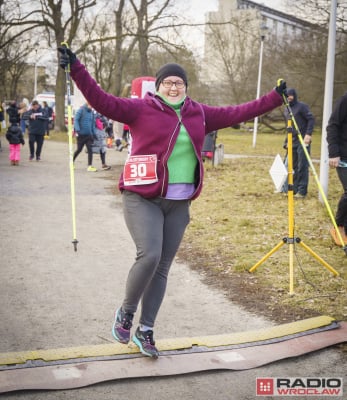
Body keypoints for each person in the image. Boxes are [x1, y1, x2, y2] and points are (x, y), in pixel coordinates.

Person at [58, 46, 286, 358]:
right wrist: (75, 68)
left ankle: (146, 330)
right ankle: (126, 313)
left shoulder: (200, 113)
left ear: (186, 87)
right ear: (158, 85)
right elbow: (101, 100)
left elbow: (239, 112)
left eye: (179, 82)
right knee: (149, 255)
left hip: (178, 203)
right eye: (168, 82)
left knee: (163, 267)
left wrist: (274, 97)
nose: (174, 86)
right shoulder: (139, 109)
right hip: (142, 198)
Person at [282, 88, 315, 198]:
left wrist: (308, 134)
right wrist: (286, 142)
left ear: (294, 96)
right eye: (287, 96)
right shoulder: (286, 109)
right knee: (293, 167)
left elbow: (311, 119)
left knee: (302, 166)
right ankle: (294, 189)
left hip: (303, 140)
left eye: (291, 95)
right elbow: (288, 127)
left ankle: (302, 191)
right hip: (292, 141)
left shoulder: (302, 107)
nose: (289, 97)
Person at [327, 91, 347, 245]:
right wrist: (334, 152)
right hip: (343, 156)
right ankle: (338, 226)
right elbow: (332, 126)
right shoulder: (344, 100)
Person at [73, 102, 97, 172]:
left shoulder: (92, 113)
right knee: (79, 150)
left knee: (90, 150)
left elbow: (92, 123)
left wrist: (94, 133)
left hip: (89, 135)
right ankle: (72, 162)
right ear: (87, 104)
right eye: (91, 105)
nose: (92, 107)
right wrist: (77, 129)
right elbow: (76, 119)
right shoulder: (81, 110)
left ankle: (89, 166)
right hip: (81, 135)